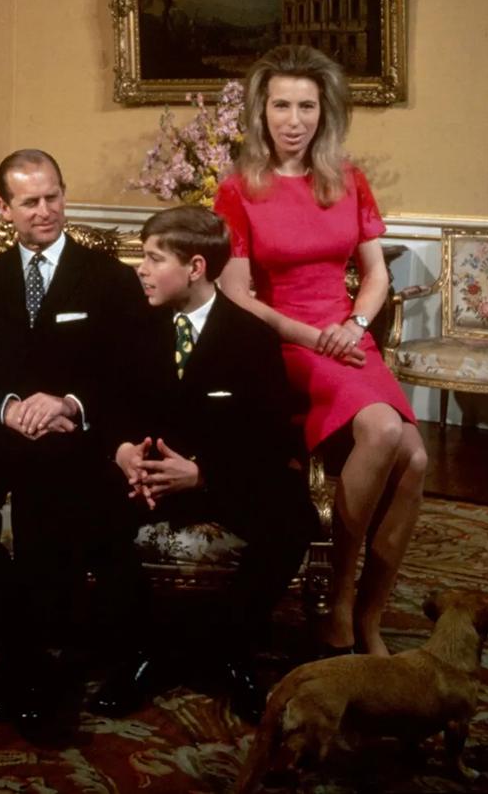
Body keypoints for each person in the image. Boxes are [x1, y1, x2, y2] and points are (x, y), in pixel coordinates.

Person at [0, 149, 155, 730]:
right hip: (5, 427)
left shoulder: (109, 278)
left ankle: (34, 654)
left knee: (48, 486)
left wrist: (69, 402)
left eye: (53, 196)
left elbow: (134, 372)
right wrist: (8, 407)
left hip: (77, 434)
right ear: (4, 209)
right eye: (30, 201)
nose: (45, 210)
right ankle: (9, 617)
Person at [213, 44, 427, 658]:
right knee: (386, 431)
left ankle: (370, 616)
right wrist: (315, 337)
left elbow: (376, 274)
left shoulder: (347, 179)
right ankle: (335, 597)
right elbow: (237, 297)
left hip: (348, 337)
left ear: (323, 112)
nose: (294, 120)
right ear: (262, 111)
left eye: (306, 105)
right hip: (287, 342)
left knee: (415, 461)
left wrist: (356, 325)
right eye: (281, 104)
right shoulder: (238, 189)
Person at [110, 205, 319, 721]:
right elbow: (110, 404)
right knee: (78, 506)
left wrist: (202, 473)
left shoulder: (251, 338)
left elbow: (272, 441)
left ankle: (231, 648)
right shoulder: (133, 326)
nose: (140, 268)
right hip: (144, 477)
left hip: (221, 479)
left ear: (196, 267)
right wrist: (122, 453)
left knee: (293, 519)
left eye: (154, 258)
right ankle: (141, 653)